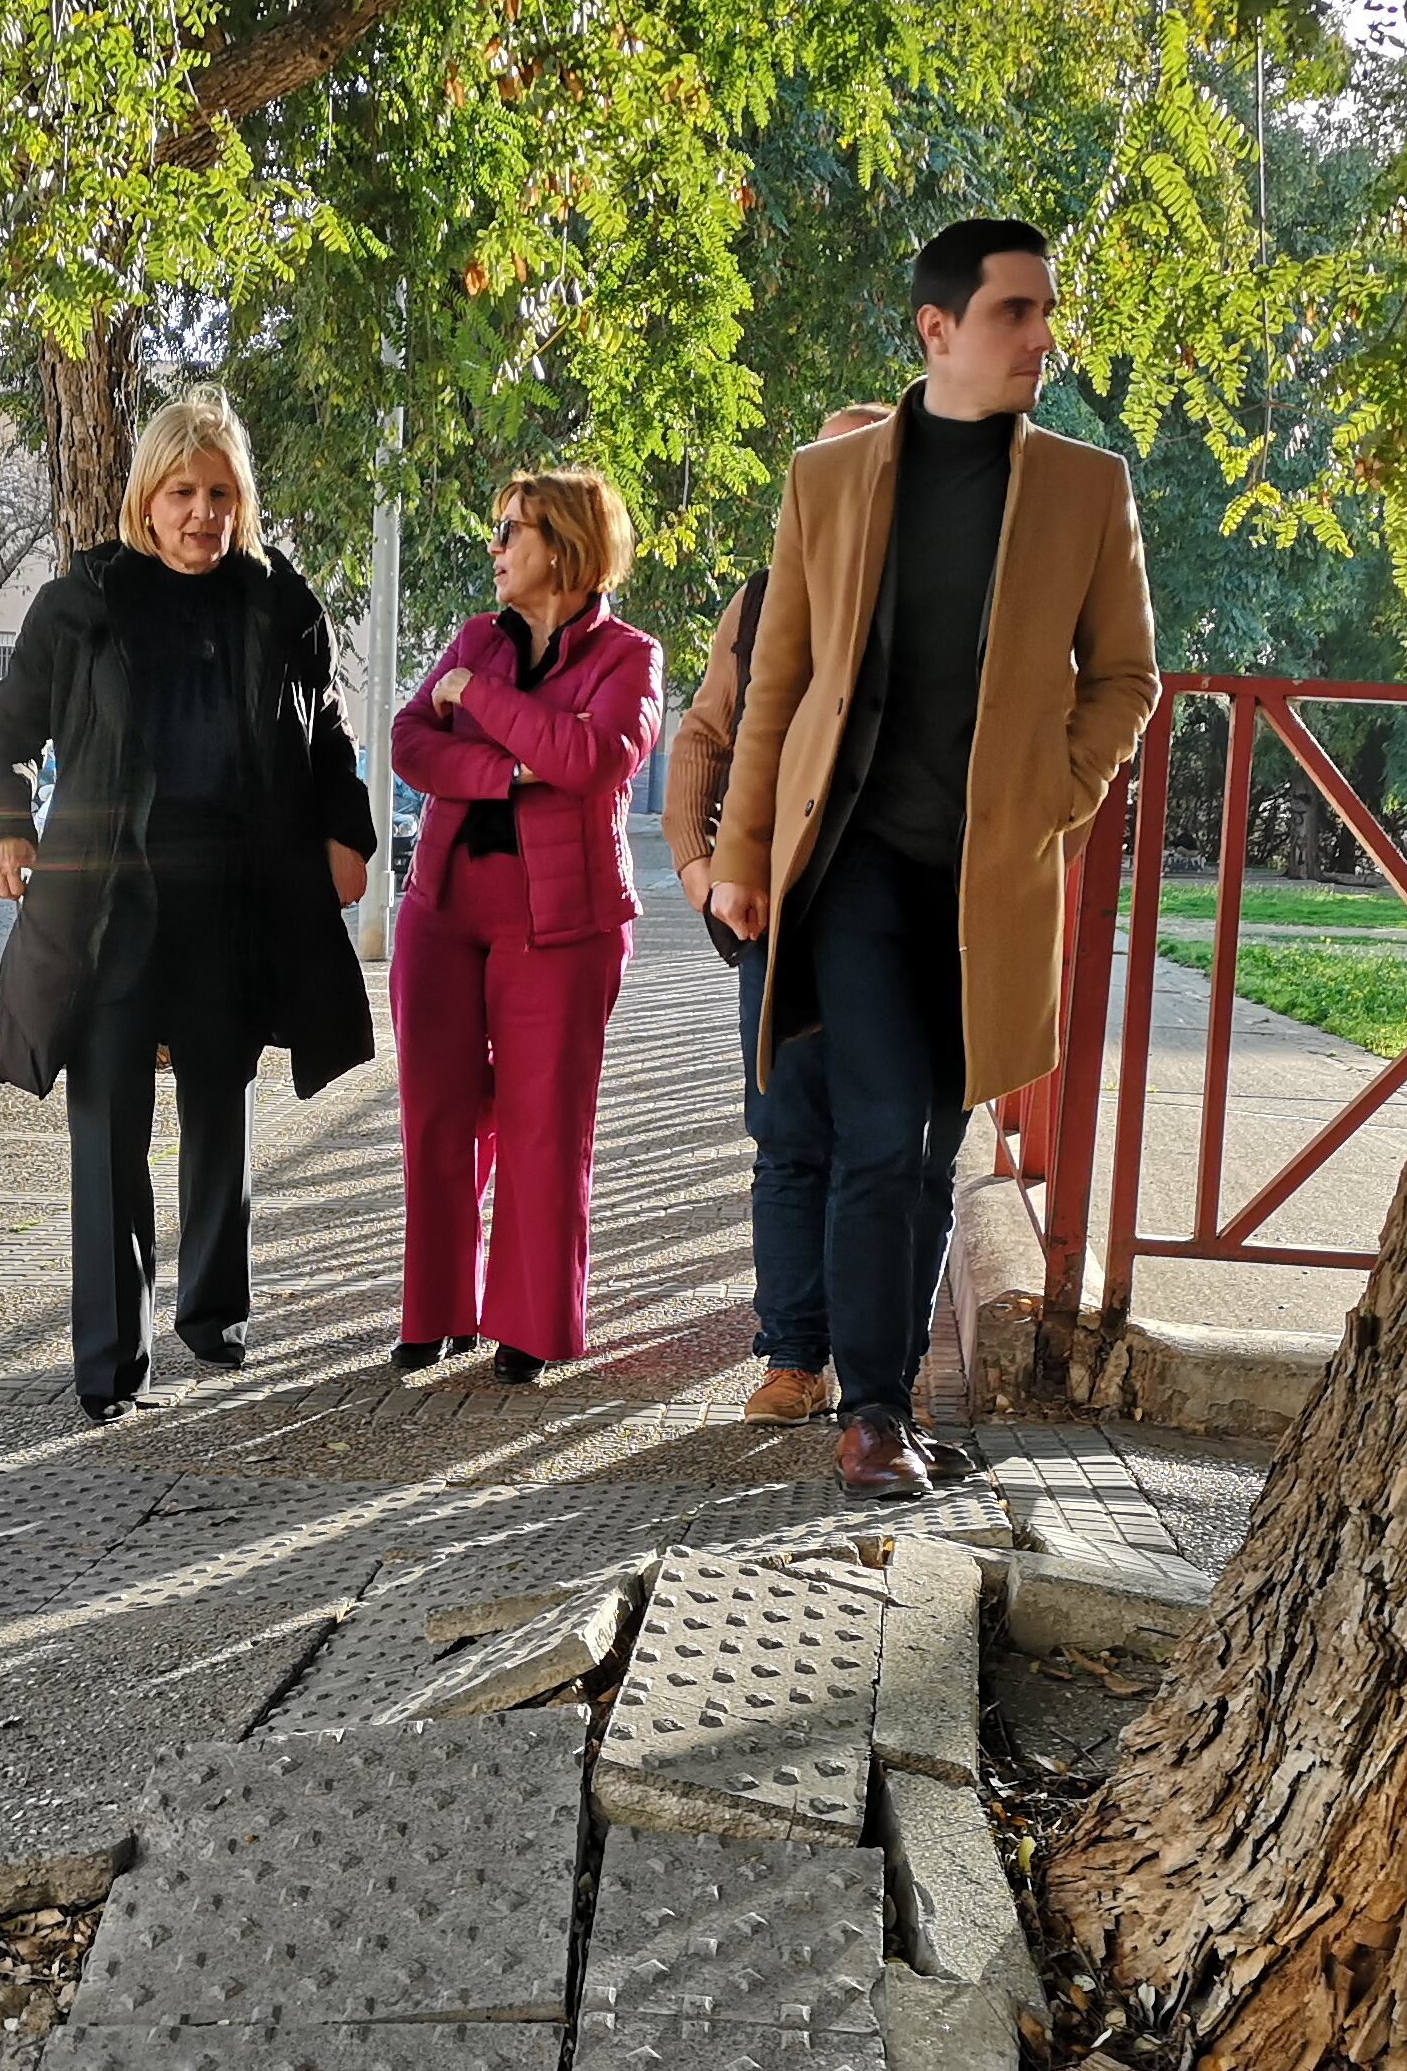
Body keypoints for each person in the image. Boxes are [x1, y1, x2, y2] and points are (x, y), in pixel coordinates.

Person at [706, 222, 1158, 1497]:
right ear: (938, 328)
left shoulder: (1086, 487)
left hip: (989, 886)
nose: (1042, 337)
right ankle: (874, 1414)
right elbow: (776, 681)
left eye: (1047, 312)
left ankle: (886, 1401)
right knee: (872, 1133)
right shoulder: (829, 481)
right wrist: (744, 852)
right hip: (853, 871)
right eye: (1016, 312)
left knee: (928, 1148)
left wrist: (1050, 799)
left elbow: (1127, 676)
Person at [0, 389, 379, 1420]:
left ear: (244, 500)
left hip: (236, 905)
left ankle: (215, 1315)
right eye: (183, 492)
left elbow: (326, 732)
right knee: (108, 1121)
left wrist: (346, 831)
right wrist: (3, 826)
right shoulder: (84, 603)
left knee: (221, 1110)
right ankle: (111, 1366)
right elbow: (3, 729)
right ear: (147, 500)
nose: (204, 513)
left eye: (222, 492)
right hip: (110, 908)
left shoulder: (279, 605)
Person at [390, 469, 663, 1386]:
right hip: (442, 909)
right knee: (437, 1114)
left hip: (563, 927)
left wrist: (479, 700)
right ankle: (436, 1313)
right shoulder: (475, 638)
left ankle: (529, 1328)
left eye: (511, 530)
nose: (496, 547)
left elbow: (589, 758)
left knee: (544, 1126)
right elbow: (408, 742)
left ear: (566, 547)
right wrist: (509, 770)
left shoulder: (631, 657)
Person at [665, 401, 896, 1427]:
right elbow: (703, 738)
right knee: (790, 1134)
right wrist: (697, 867)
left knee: (890, 1142)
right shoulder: (759, 605)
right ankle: (794, 1356)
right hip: (782, 917)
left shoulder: (931, 596)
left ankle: (881, 1371)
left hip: (900, 918)